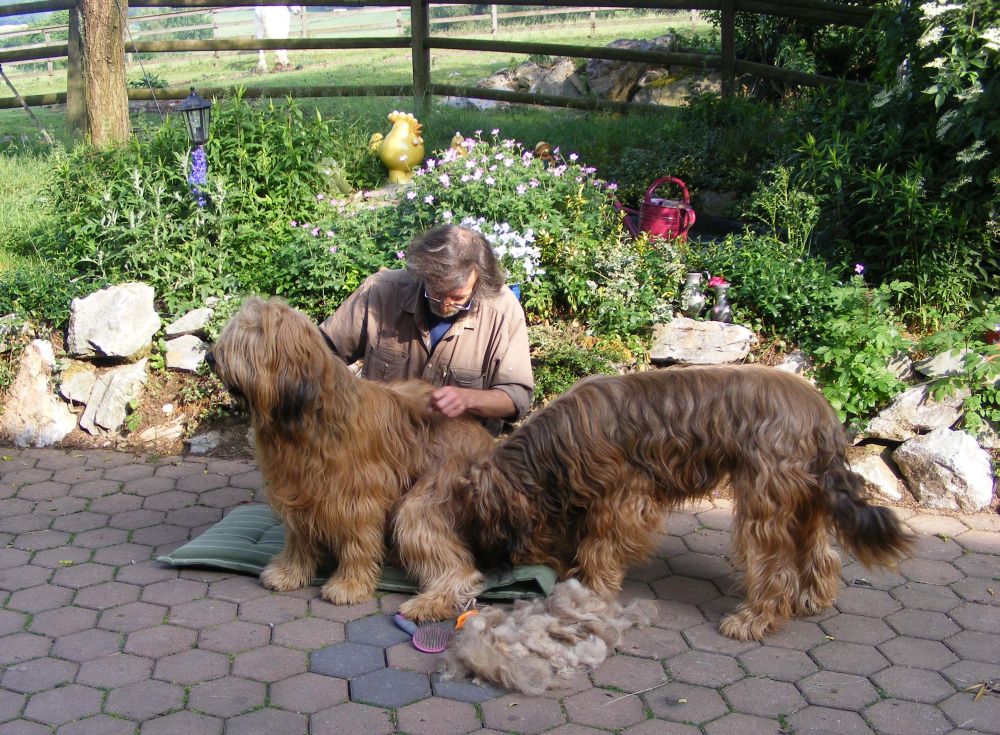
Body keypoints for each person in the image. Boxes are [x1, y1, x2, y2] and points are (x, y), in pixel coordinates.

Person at [320, 224, 533, 435]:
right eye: (437, 293)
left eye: (458, 298)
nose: (445, 305)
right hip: (381, 440)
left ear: (480, 284)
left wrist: (469, 399)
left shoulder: (502, 311)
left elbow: (516, 396)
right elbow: (322, 352)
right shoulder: (381, 291)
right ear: (422, 273)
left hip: (459, 447)